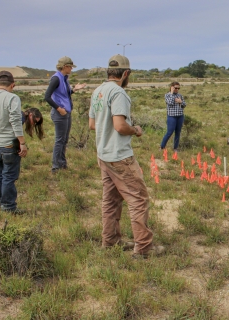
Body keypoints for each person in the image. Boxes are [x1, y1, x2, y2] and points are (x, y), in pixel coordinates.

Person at [89, 54, 164, 259]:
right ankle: (143, 249)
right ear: (125, 73)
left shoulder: (98, 91)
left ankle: (110, 241)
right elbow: (120, 126)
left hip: (103, 154)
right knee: (138, 199)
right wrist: (136, 130)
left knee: (111, 200)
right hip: (120, 156)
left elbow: (93, 125)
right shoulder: (118, 92)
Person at [45, 56, 86, 173]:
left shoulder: (64, 78)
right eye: (70, 67)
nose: (71, 69)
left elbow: (64, 94)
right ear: (65, 67)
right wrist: (58, 109)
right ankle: (55, 167)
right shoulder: (56, 79)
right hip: (60, 114)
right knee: (59, 140)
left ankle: (62, 164)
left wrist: (74, 90)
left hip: (66, 113)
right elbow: (47, 96)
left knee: (64, 140)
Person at [0, 71, 28, 214]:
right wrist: (22, 142)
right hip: (8, 144)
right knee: (9, 176)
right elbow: (15, 121)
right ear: (12, 84)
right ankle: (8, 207)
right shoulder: (12, 98)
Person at [160, 82, 186, 152]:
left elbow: (184, 105)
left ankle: (175, 148)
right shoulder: (167, 95)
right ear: (172, 87)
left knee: (178, 132)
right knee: (169, 132)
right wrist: (171, 93)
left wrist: (181, 102)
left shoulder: (180, 95)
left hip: (180, 116)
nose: (177, 89)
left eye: (178, 88)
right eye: (175, 88)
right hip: (171, 117)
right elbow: (170, 103)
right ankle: (162, 146)